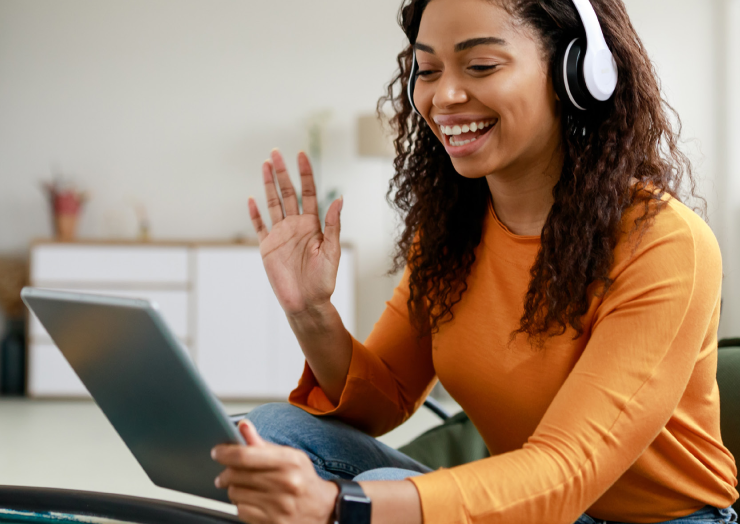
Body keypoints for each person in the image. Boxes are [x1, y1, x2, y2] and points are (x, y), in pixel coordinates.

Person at [209, 0, 740, 522]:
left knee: (376, 495)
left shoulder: (665, 243)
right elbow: (384, 399)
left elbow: (568, 471)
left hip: (658, 520)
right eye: (429, 69)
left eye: (481, 65)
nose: (445, 96)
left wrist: (338, 505)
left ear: (577, 72)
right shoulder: (454, 231)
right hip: (523, 500)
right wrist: (309, 310)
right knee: (275, 431)